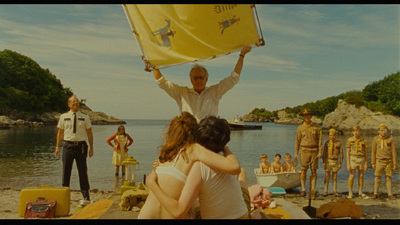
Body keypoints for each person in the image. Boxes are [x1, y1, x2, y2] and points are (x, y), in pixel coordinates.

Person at [138, 112, 242, 219]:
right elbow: (234, 167)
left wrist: (151, 183)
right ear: (194, 133)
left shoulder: (164, 156)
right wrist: (225, 148)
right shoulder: (194, 149)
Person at [152, 46, 252, 122]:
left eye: (201, 77)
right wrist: (152, 63)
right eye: (195, 78)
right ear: (191, 79)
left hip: (209, 138)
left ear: (206, 79)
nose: (198, 80)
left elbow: (234, 78)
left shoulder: (214, 92)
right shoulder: (182, 93)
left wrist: (242, 55)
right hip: (189, 138)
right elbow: (162, 83)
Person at [55, 95, 93, 201]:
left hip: (81, 146)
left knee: (82, 171)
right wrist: (57, 147)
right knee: (66, 171)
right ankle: (65, 194)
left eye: (76, 102)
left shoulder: (85, 117)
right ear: (69, 104)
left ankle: (86, 196)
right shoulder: (63, 116)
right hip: (68, 146)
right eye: (73, 102)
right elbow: (60, 132)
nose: (75, 103)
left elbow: (89, 133)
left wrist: (91, 147)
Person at [294, 108, 322, 198]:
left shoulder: (316, 126)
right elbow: (297, 141)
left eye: (308, 115)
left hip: (314, 151)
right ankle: (303, 189)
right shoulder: (300, 128)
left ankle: (313, 189)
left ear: (310, 116)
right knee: (303, 171)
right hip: (304, 150)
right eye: (305, 115)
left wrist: (320, 151)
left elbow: (320, 140)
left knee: (314, 171)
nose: (306, 117)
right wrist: (296, 153)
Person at [371, 124, 398, 200]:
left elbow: (393, 151)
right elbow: (373, 151)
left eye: (385, 130)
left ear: (387, 131)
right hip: (379, 161)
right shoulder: (376, 139)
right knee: (378, 176)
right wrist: (373, 162)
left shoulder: (390, 139)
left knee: (388, 177)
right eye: (382, 130)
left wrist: (395, 163)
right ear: (378, 131)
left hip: (388, 161)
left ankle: (390, 194)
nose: (383, 132)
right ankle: (375, 193)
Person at [345, 126, 368, 199]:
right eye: (354, 131)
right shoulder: (350, 140)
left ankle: (360, 192)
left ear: (360, 132)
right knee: (352, 174)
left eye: (357, 131)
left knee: (361, 175)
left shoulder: (363, 140)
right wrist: (348, 163)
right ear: (352, 132)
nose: (356, 132)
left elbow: (366, 152)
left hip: (361, 158)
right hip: (353, 158)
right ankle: (350, 192)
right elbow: (347, 152)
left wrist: (366, 163)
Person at [322, 128, 343, 197]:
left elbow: (341, 154)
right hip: (328, 161)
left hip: (335, 161)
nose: (332, 137)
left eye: (333, 135)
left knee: (335, 176)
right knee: (327, 175)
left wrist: (340, 163)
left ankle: (334, 190)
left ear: (336, 135)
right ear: (328, 135)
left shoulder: (338, 143)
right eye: (330, 135)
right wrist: (324, 162)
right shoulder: (327, 143)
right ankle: (325, 190)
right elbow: (324, 153)